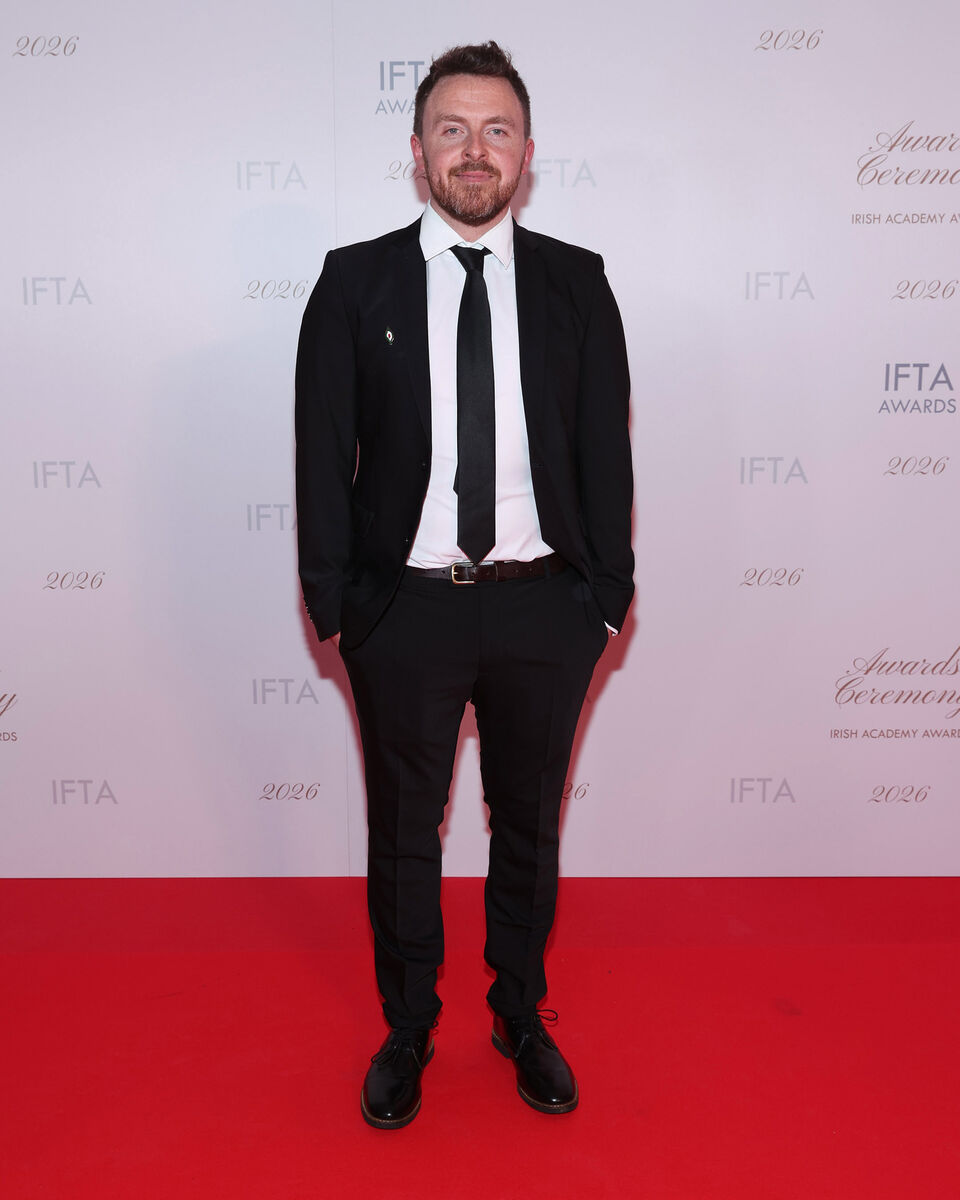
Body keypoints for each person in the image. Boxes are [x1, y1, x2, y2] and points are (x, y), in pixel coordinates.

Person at [295, 41, 633, 1129]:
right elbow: (321, 455)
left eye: (496, 130)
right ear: (416, 151)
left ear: (527, 154)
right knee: (403, 831)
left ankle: (521, 1016)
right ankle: (407, 1030)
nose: (474, 151)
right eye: (453, 129)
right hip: (408, 609)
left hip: (548, 605)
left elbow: (605, 456)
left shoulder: (580, 282)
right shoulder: (356, 281)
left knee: (530, 825)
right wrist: (343, 607)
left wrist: (603, 597)